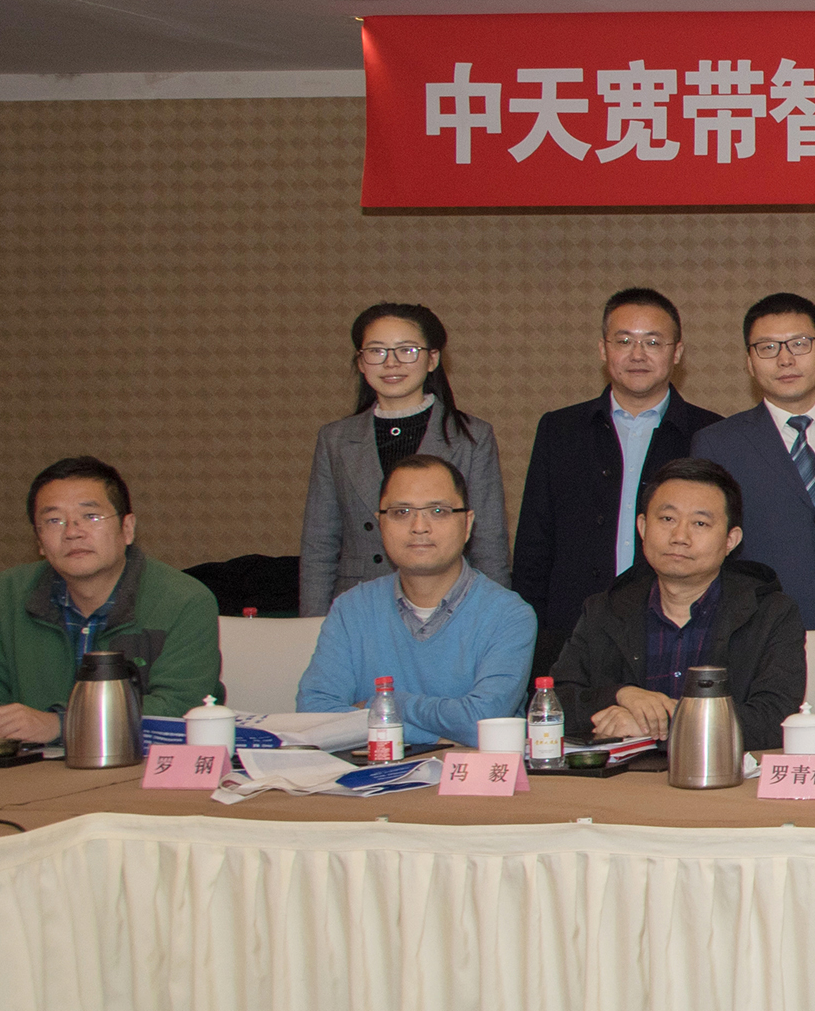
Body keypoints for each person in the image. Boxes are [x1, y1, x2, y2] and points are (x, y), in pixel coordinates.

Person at [512, 288, 721, 676]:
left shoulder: (709, 433)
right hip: (571, 631)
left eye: (653, 342)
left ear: (677, 352)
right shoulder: (560, 430)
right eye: (624, 341)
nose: (637, 354)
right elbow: (534, 545)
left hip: (675, 632)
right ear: (602, 349)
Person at [0, 457, 223, 741]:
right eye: (54, 521)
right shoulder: (3, 596)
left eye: (91, 517)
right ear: (39, 541)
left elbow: (181, 708)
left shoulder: (183, 600)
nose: (72, 532)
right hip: (27, 762)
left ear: (127, 528)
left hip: (135, 763)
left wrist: (60, 725)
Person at [546, 458, 808, 750]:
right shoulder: (604, 610)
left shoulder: (771, 613)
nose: (680, 537)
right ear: (643, 527)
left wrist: (662, 725)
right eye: (667, 519)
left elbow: (775, 721)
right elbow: (553, 705)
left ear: (730, 540)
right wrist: (621, 695)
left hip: (724, 775)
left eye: (700, 523)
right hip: (624, 776)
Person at [294, 456, 539, 746]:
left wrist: (385, 704)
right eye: (401, 512)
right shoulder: (351, 609)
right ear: (380, 523)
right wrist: (436, 736)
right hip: (373, 773)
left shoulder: (509, 615)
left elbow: (482, 722)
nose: (419, 526)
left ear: (467, 524)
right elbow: (315, 713)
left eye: (438, 511)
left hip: (468, 776)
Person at [688, 292, 815, 631]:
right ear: (749, 363)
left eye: (799, 344)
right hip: (758, 633)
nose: (785, 359)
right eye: (768, 347)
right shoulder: (717, 444)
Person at [299, 302, 508, 614]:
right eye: (377, 351)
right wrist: (312, 624)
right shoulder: (335, 439)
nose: (391, 363)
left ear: (432, 359)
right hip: (358, 606)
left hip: (447, 605)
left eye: (407, 350)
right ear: (361, 361)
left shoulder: (471, 437)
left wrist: (495, 616)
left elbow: (489, 543)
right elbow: (319, 545)